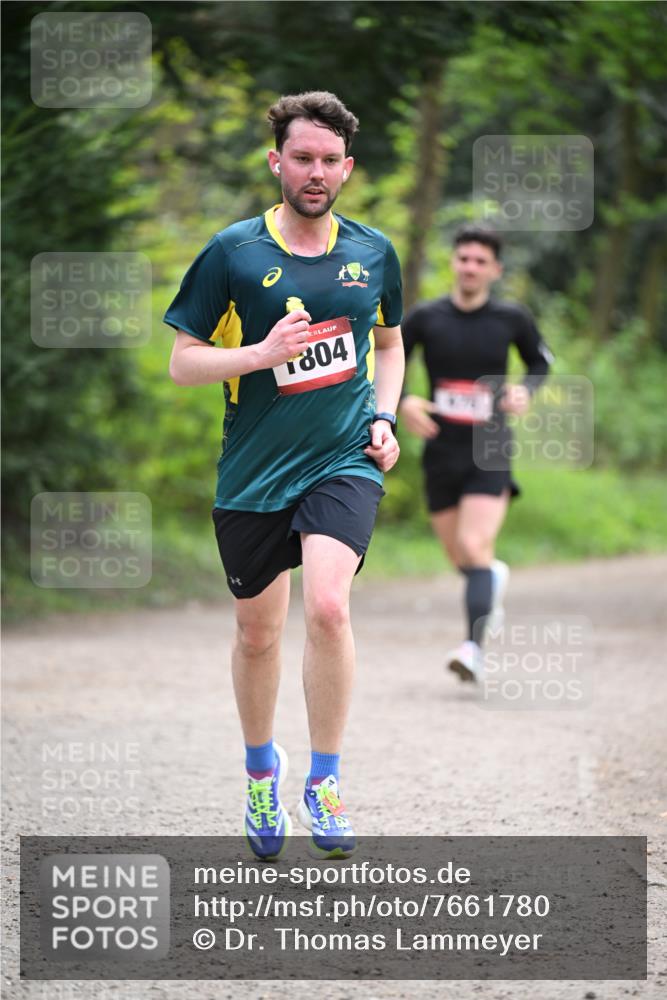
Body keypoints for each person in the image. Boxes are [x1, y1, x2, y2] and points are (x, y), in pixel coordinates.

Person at [164, 91, 404, 859]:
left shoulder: (372, 254)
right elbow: (182, 363)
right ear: (276, 161)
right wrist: (259, 357)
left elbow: (390, 346)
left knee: (329, 608)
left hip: (342, 461)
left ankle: (324, 782)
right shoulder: (233, 252)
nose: (315, 172)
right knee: (258, 635)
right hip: (253, 472)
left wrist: (384, 417)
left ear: (348, 169)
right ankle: (262, 769)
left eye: (330, 161)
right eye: (301, 157)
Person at [399, 225, 551, 683]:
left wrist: (525, 391)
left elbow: (540, 362)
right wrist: (403, 399)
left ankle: (473, 649)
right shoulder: (425, 317)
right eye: (464, 258)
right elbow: (389, 361)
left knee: (473, 545)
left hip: (490, 447)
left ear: (495, 270)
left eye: (480, 261)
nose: (470, 266)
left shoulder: (511, 319)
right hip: (440, 450)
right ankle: (491, 579)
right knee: (462, 558)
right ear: (453, 262)